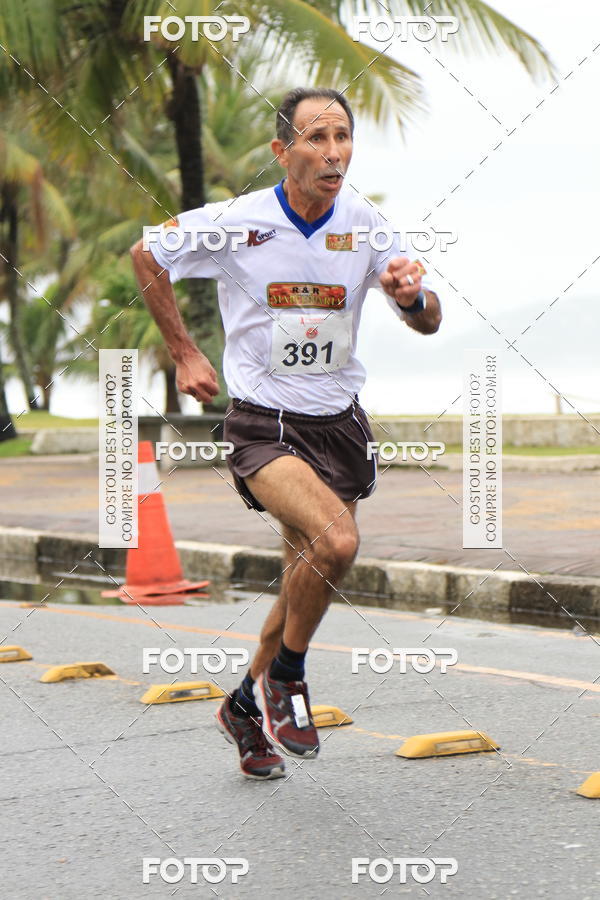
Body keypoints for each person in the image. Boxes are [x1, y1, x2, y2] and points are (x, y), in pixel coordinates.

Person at [131, 86, 442, 780]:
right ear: (283, 150)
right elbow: (146, 253)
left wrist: (411, 296)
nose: (333, 153)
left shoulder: (365, 224)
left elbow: (429, 320)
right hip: (264, 423)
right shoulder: (239, 221)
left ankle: (244, 706)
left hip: (339, 423)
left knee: (306, 576)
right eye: (316, 138)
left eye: (343, 137)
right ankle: (288, 677)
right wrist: (184, 351)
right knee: (337, 542)